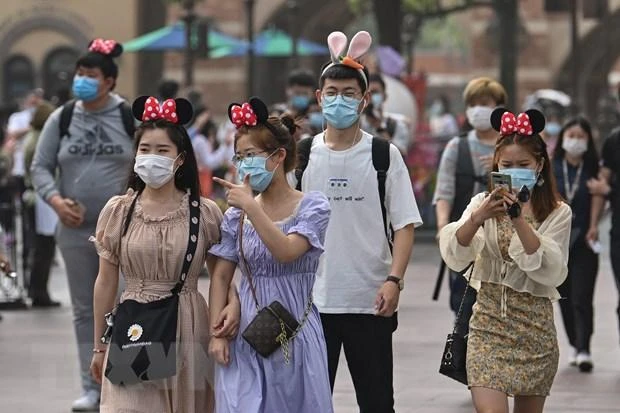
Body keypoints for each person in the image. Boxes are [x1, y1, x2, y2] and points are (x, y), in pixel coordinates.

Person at [294, 31, 421, 412]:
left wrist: (394, 281)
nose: (339, 100)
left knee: (378, 401)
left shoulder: (384, 156)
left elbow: (404, 226)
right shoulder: (301, 156)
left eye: (349, 93)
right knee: (312, 402)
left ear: (365, 100)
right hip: (312, 303)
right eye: (332, 92)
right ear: (319, 97)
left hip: (371, 301)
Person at [88, 96, 239, 413]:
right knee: (126, 406)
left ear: (180, 158)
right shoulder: (119, 211)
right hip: (134, 324)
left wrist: (230, 310)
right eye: (145, 150)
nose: (151, 158)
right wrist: (100, 346)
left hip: (186, 324)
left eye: (162, 151)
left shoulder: (205, 213)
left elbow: (221, 277)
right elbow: (105, 282)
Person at [439, 108, 571, 413]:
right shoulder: (481, 204)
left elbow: (550, 268)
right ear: (496, 165)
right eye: (506, 164)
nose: (514, 170)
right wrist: (479, 217)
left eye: (523, 164)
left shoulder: (557, 212)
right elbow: (456, 251)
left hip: (534, 328)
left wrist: (518, 219)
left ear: (539, 166)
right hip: (487, 323)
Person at [208, 97, 333, 412]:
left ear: (278, 156)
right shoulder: (236, 216)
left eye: (250, 155)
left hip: (294, 330)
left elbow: (287, 251)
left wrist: (251, 206)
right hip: (247, 331)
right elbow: (221, 274)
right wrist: (217, 334)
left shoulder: (313, 206)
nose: (243, 165)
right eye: (239, 157)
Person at [31, 38, 135, 411]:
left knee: (127, 305)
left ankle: (125, 383)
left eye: (90, 75)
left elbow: (151, 158)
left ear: (109, 81)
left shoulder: (127, 117)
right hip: (75, 232)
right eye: (79, 74)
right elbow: (40, 166)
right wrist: (56, 200)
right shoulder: (63, 118)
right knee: (83, 311)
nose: (82, 81)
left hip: (123, 233)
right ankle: (91, 389)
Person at [433, 77, 508, 333]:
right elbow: (444, 190)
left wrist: (501, 168)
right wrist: (443, 226)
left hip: (503, 237)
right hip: (466, 233)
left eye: (484, 103)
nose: (478, 109)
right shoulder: (458, 145)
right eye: (473, 104)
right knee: (463, 301)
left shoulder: (511, 145)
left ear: (498, 107)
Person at [552, 116, 601, 372]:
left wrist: (594, 224)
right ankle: (573, 342)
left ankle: (584, 348)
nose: (576, 141)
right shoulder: (551, 167)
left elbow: (600, 196)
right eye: (571, 135)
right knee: (564, 297)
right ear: (562, 138)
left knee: (583, 297)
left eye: (581, 137)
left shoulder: (593, 167)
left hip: (584, 241)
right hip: (558, 243)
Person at [588, 101, 620, 346]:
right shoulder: (614, 140)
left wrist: (610, 189)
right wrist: (594, 223)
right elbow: (601, 184)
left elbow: (606, 186)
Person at [23, 101, 59, 307]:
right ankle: (39, 291)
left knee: (39, 247)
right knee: (44, 247)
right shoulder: (40, 142)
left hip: (35, 197)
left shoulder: (32, 138)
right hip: (41, 199)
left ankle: (36, 288)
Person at [361, 73, 411, 155]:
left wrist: (380, 129)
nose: (371, 97)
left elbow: (401, 154)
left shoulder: (396, 125)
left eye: (375, 92)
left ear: (384, 96)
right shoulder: (357, 124)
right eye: (368, 93)